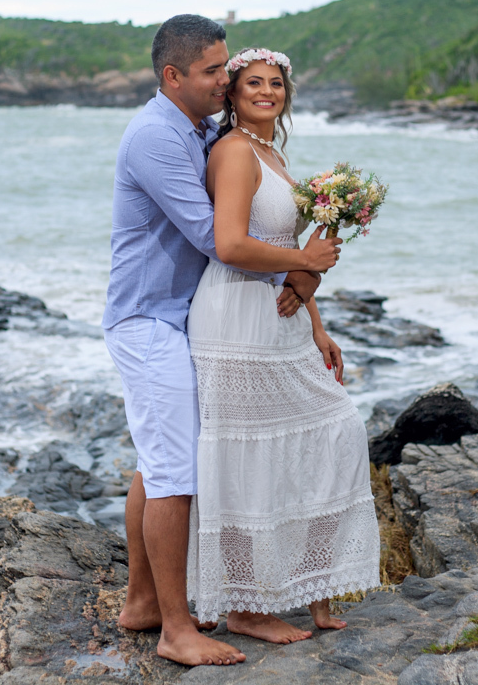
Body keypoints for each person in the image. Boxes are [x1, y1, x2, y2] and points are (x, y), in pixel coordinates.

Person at [102, 15, 340, 666]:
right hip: (149, 322)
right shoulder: (155, 136)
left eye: (225, 66)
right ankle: (177, 632)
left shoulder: (202, 128)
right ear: (172, 75)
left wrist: (307, 302)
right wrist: (303, 264)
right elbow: (219, 240)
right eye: (214, 71)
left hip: (184, 318)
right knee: (177, 472)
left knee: (159, 461)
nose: (225, 78)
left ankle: (143, 603)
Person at [185, 48, 381, 643]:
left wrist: (317, 320)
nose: (265, 91)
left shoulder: (273, 152)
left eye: (275, 84)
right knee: (249, 461)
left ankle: (313, 584)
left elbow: (290, 262)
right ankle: (244, 606)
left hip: (282, 318)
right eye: (252, 84)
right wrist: (304, 261)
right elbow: (231, 244)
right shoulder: (235, 151)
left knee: (335, 431)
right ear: (233, 94)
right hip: (235, 317)